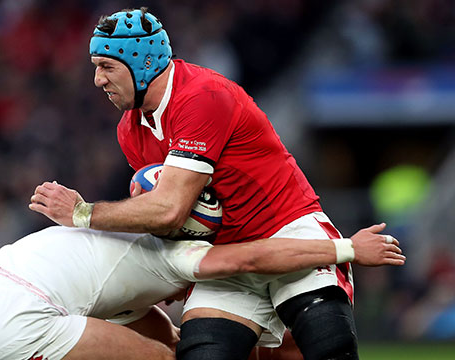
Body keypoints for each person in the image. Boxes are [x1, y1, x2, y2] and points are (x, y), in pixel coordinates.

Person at [29, 7, 378, 360]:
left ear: (141, 61)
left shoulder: (203, 95)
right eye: (96, 68)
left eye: (106, 66)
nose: (98, 80)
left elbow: (167, 210)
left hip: (287, 230)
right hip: (223, 256)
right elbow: (167, 222)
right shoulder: (129, 130)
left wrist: (82, 213)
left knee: (328, 345)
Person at [0, 224, 404, 360]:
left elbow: (162, 332)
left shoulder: (111, 247)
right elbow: (255, 258)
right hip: (17, 316)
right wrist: (345, 249)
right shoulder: (172, 250)